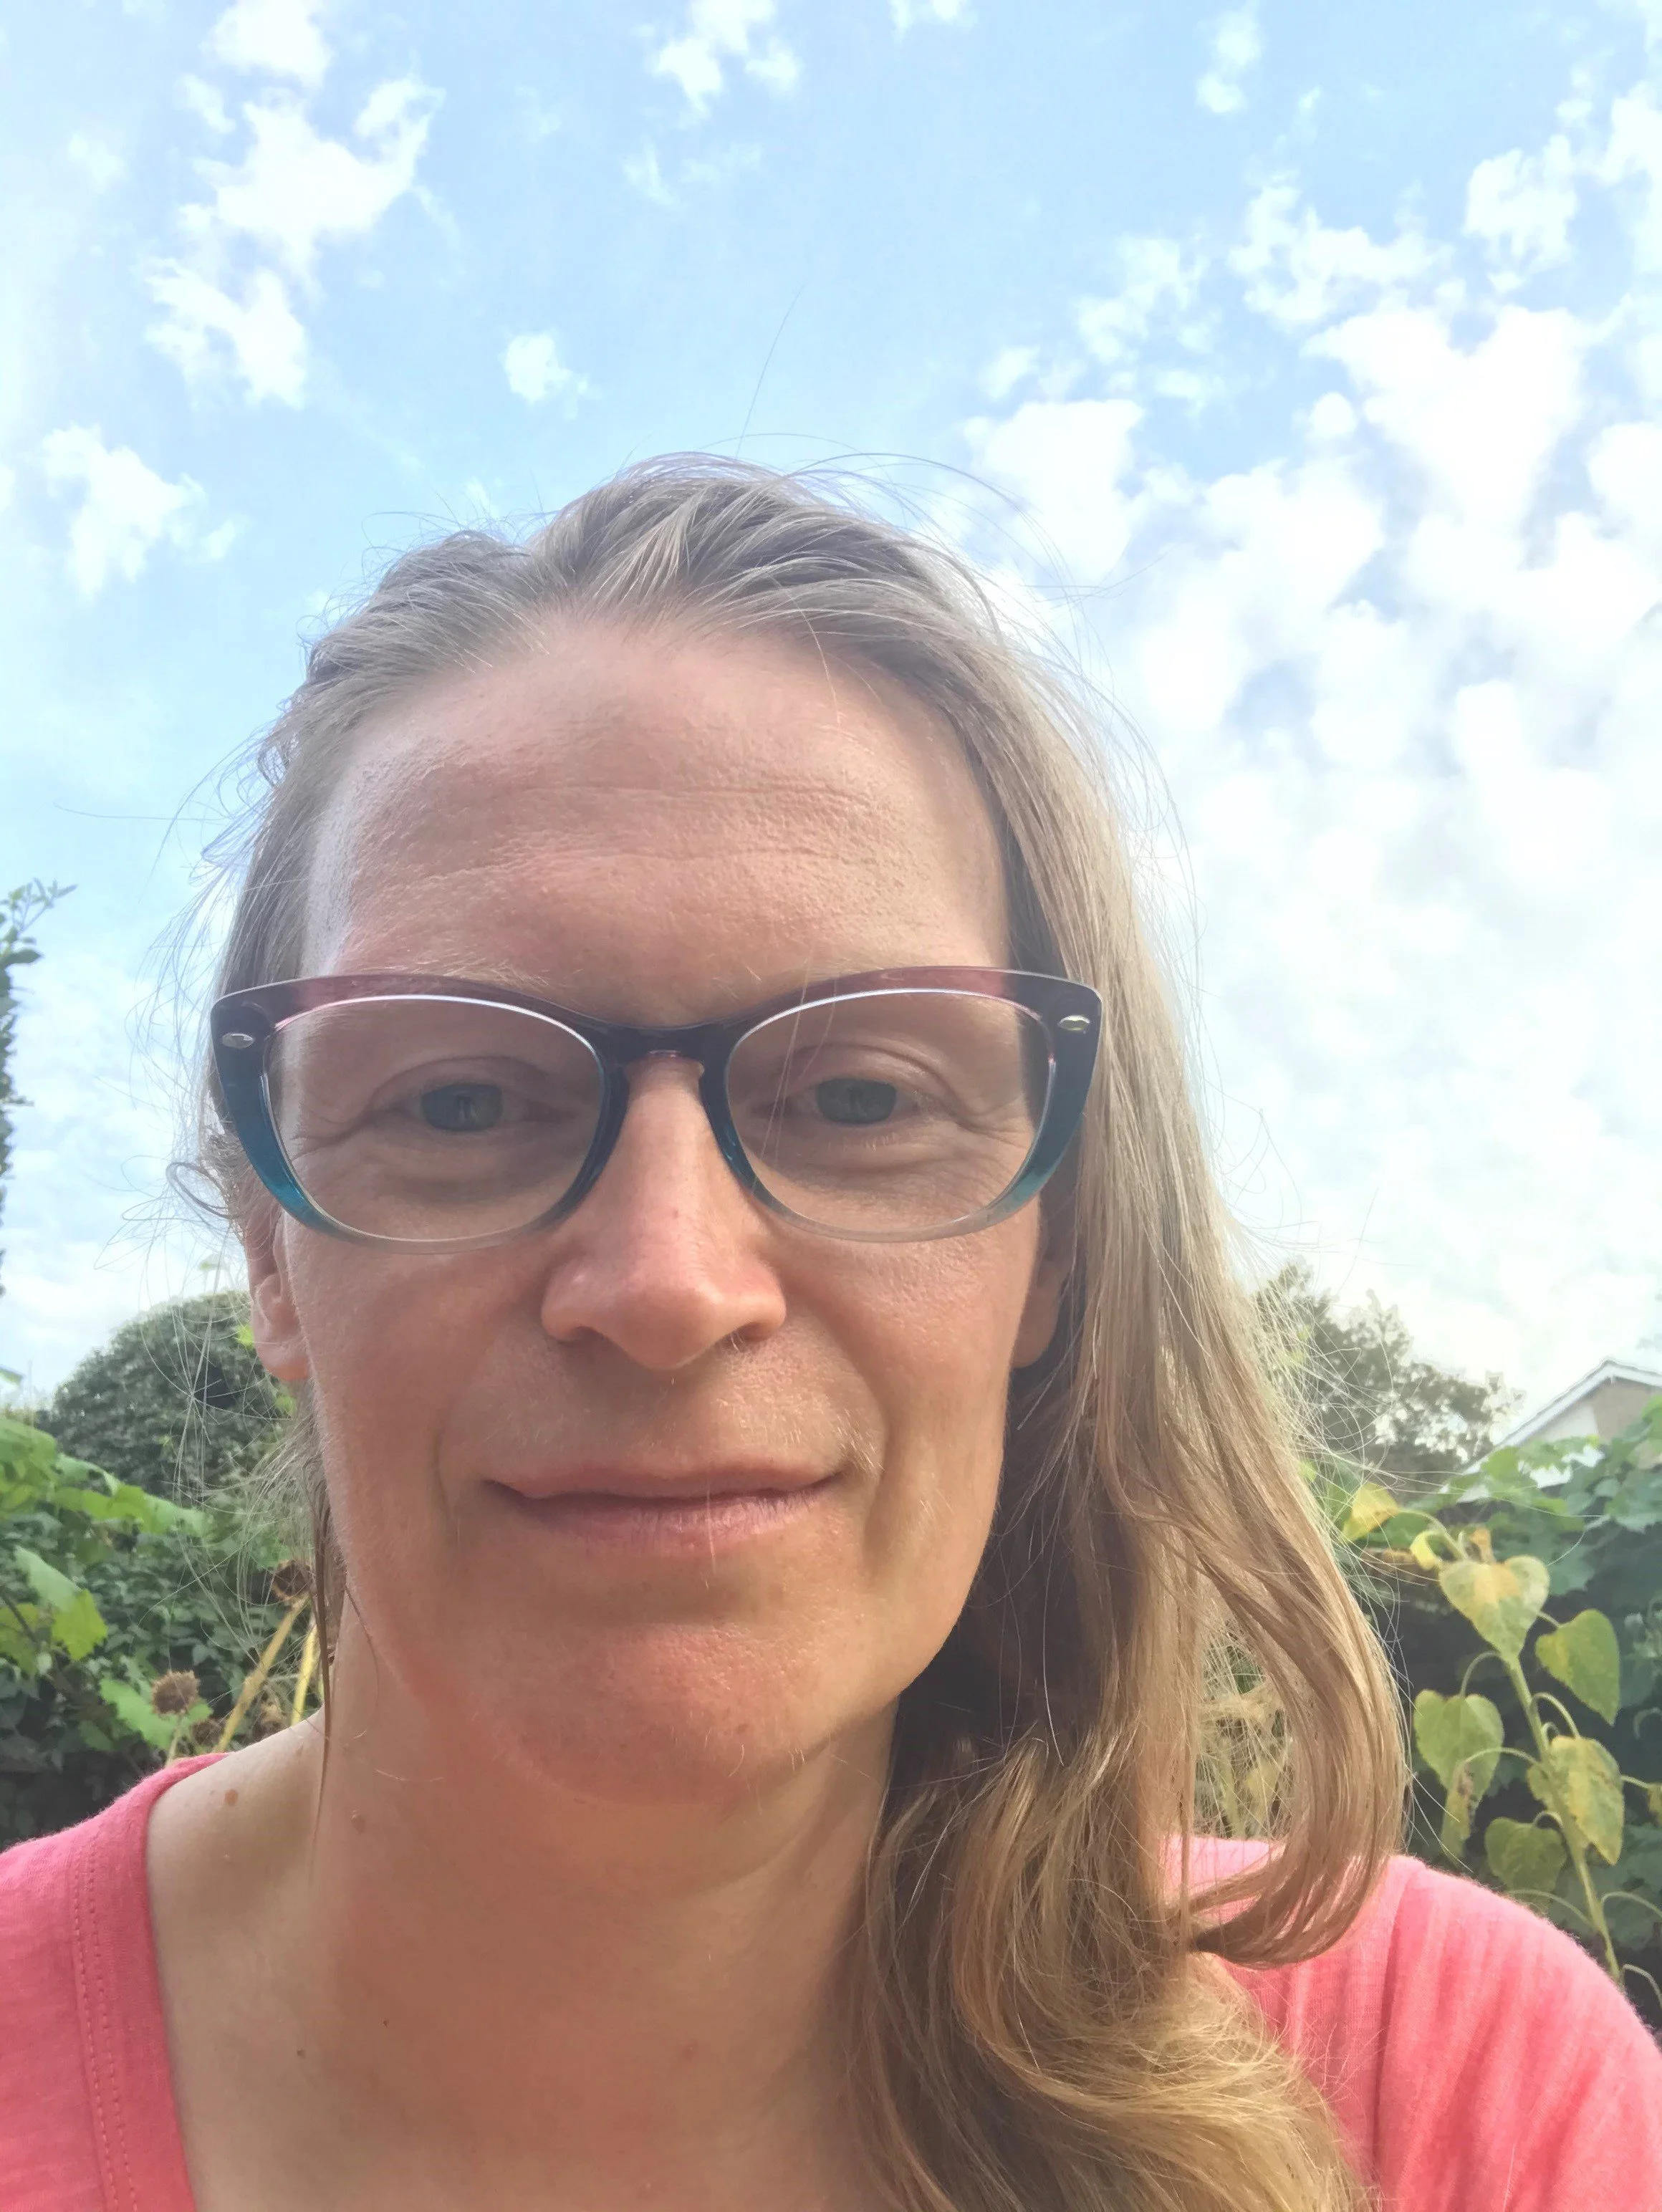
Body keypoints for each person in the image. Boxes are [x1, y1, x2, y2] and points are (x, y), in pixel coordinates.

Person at [2, 459, 1658, 2212]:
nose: (665, 1282)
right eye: (461, 1095)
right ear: (271, 1240)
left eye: (860, 1094)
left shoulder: (1462, 2097)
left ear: (1056, 1241)